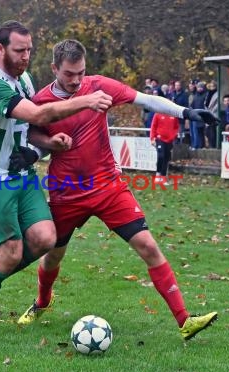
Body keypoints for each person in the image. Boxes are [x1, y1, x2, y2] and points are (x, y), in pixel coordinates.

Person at [16, 39, 218, 341]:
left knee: (148, 246)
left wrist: (186, 112)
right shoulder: (42, 102)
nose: (76, 80)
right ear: (54, 68)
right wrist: (40, 149)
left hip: (108, 186)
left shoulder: (98, 86)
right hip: (67, 191)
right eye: (69, 74)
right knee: (53, 256)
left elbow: (145, 99)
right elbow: (41, 141)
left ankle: (184, 320)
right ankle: (42, 301)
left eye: (81, 73)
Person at [0, 21, 114, 333]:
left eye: (29, 50)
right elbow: (38, 115)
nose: (25, 56)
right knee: (12, 252)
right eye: (19, 50)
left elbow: (29, 129)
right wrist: (87, 99)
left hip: (21, 173)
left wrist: (48, 143)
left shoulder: (24, 80)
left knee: (46, 238)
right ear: (0, 49)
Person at [151, 113, 179, 184]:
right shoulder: (158, 114)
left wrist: (173, 135)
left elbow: (176, 127)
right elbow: (153, 126)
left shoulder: (173, 115)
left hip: (169, 140)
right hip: (160, 138)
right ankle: (158, 174)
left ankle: (163, 178)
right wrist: (152, 138)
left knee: (166, 158)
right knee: (161, 156)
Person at [190, 82, 207, 150]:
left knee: (202, 131)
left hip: (203, 115)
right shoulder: (195, 96)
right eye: (198, 87)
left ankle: (202, 145)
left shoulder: (205, 95)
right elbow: (192, 105)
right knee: (196, 131)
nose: (199, 89)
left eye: (201, 87)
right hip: (195, 115)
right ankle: (197, 145)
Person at [204, 80, 218, 148]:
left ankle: (213, 145)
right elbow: (206, 103)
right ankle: (210, 145)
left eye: (213, 86)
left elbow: (217, 105)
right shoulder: (208, 93)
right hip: (208, 113)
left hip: (214, 114)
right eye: (211, 86)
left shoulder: (217, 93)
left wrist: (211, 111)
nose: (212, 87)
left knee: (212, 131)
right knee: (207, 131)